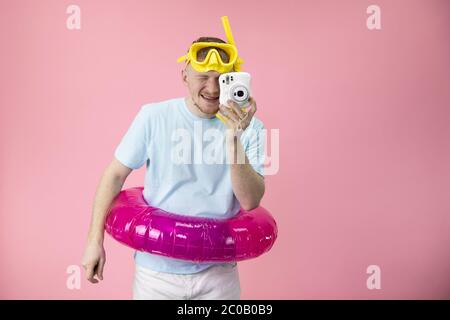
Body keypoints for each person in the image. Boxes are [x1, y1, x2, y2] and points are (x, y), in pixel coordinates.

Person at [81, 16, 266, 300]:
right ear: (184, 77)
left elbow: (250, 201)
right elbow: (115, 174)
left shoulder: (251, 126)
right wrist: (95, 241)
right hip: (156, 273)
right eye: (203, 77)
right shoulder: (153, 116)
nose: (213, 89)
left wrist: (234, 138)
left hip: (219, 274)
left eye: (221, 79)